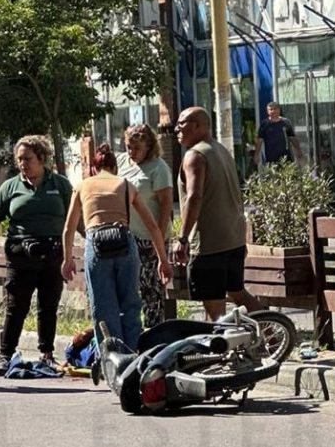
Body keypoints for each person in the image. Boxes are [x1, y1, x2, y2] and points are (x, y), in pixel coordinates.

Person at [0, 135, 71, 376]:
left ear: (42, 158)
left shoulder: (60, 185)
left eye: (27, 159)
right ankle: (6, 355)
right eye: (19, 159)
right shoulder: (11, 186)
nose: (22, 164)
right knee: (15, 307)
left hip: (52, 255)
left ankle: (47, 354)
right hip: (21, 256)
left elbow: (74, 219)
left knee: (48, 307)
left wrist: (90, 237)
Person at [63, 144, 172, 349]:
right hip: (124, 242)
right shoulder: (126, 184)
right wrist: (163, 261)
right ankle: (131, 355)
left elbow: (69, 228)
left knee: (103, 307)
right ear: (115, 167)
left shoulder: (83, 185)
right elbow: (153, 227)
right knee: (130, 303)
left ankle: (112, 356)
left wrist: (67, 259)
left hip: (96, 243)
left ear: (94, 168)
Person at [175, 107, 264, 321]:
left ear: (198, 126)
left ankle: (223, 349)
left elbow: (194, 197)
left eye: (182, 123)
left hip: (209, 244)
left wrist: (183, 238)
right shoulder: (221, 150)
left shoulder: (195, 156)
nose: (177, 129)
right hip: (232, 239)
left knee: (214, 307)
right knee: (237, 293)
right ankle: (273, 333)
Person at [116, 123, 174, 328]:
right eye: (128, 147)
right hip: (127, 236)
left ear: (149, 146)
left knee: (151, 290)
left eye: (136, 148)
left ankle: (154, 332)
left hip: (150, 238)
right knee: (129, 288)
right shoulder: (123, 162)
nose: (131, 152)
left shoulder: (158, 168)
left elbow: (167, 205)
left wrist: (158, 240)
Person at [254, 102, 302, 167]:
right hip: (271, 158)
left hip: (286, 157)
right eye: (270, 109)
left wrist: (298, 150)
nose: (273, 111)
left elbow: (292, 138)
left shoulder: (286, 122)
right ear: (267, 111)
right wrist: (256, 154)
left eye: (275, 109)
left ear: (279, 110)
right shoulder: (264, 124)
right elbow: (259, 140)